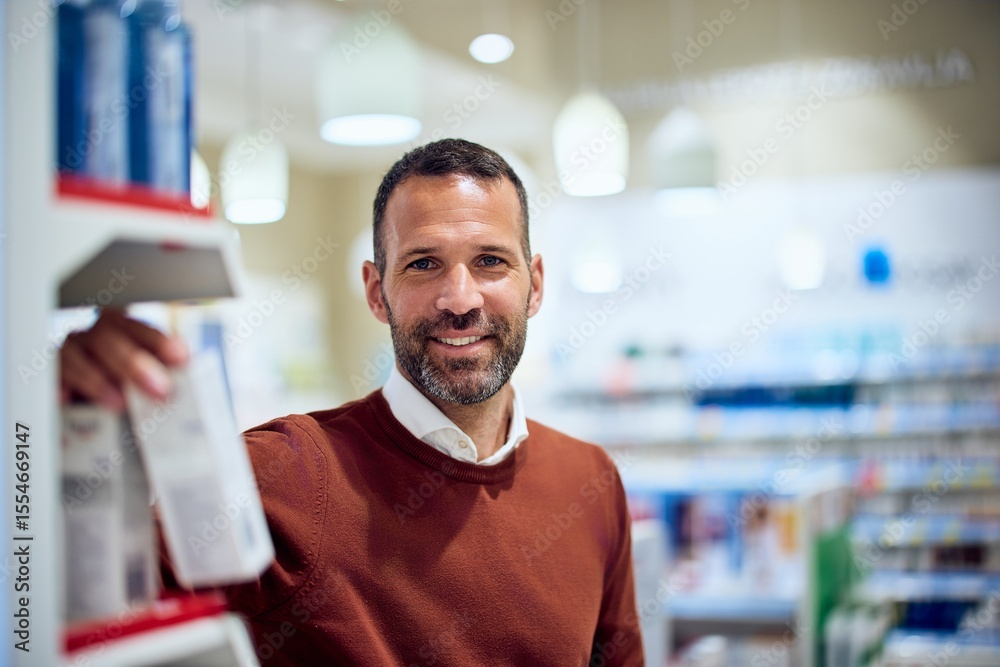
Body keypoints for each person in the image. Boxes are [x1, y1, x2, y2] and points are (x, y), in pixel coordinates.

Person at [61, 139, 644, 666]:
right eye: (423, 264)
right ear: (375, 291)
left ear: (534, 284)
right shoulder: (285, 472)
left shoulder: (590, 482)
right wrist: (59, 416)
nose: (460, 299)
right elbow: (67, 606)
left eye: (490, 260)